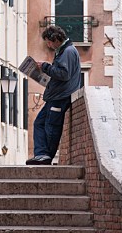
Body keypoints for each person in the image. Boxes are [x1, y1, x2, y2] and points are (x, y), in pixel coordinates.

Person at [26, 25, 81, 165]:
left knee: (52, 127)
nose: (48, 45)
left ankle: (46, 156)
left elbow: (63, 74)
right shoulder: (65, 51)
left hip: (60, 97)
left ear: (55, 39)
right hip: (56, 96)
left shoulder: (68, 52)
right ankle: (41, 154)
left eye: (49, 42)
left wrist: (45, 67)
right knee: (39, 123)